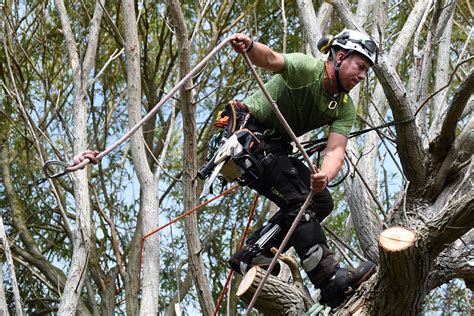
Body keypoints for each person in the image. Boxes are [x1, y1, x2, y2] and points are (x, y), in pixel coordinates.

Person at [222, 29, 379, 308]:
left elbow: (335, 150)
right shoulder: (308, 70)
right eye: (360, 66)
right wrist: (250, 46)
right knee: (298, 201)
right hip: (249, 138)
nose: (362, 75)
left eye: (366, 71)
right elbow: (271, 59)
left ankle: (254, 253)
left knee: (319, 200)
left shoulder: (343, 106)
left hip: (276, 148)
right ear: (340, 57)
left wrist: (324, 176)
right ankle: (329, 280)